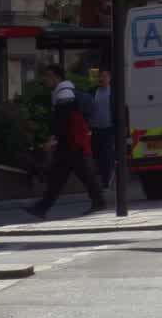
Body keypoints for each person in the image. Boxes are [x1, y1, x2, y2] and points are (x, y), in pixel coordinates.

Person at [27, 73, 106, 217]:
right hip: (71, 144)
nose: (45, 80)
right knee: (61, 178)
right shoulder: (66, 94)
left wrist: (53, 139)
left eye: (47, 77)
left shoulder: (64, 95)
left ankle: (99, 202)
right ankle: (42, 207)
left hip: (73, 144)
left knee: (83, 175)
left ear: (56, 78)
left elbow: (64, 122)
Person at [85, 67, 117, 189]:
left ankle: (106, 179)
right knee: (97, 155)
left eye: (104, 76)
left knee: (106, 155)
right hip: (95, 128)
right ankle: (103, 176)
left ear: (109, 78)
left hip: (109, 128)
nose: (102, 79)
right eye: (100, 76)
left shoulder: (113, 92)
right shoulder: (93, 92)